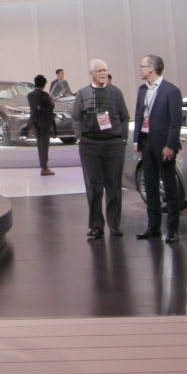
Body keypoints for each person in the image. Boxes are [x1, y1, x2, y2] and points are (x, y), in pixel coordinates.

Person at [69, 59, 129, 239]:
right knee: (94, 186)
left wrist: (123, 139)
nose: (103, 73)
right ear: (91, 74)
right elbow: (76, 118)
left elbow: (124, 117)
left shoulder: (116, 92)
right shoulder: (82, 94)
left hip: (113, 144)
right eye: (99, 71)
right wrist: (80, 138)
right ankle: (96, 225)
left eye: (105, 70)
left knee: (114, 186)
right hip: (90, 145)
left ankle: (115, 225)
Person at [133, 55, 183, 244]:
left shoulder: (171, 91)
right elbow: (139, 115)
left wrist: (170, 145)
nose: (139, 69)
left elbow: (175, 123)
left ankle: (173, 229)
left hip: (164, 146)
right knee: (150, 186)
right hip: (146, 143)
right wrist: (136, 140)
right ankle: (153, 227)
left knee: (169, 188)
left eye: (142, 66)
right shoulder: (142, 90)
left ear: (151, 69)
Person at [27, 75, 56, 176]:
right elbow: (50, 106)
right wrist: (52, 102)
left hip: (34, 122)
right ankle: (44, 167)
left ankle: (43, 166)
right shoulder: (44, 95)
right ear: (44, 85)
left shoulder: (30, 95)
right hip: (44, 122)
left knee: (39, 144)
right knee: (44, 145)